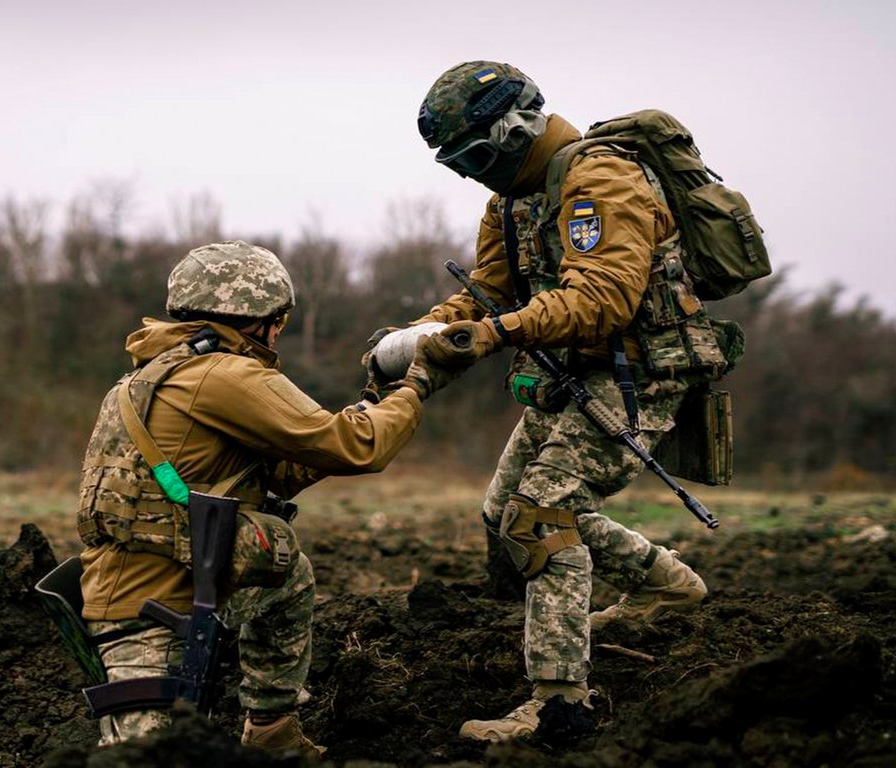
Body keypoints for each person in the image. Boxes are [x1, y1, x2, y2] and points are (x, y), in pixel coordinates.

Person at [395, 62, 714, 741]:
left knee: (539, 516)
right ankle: (667, 586)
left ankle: (559, 703)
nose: (474, 175)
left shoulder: (603, 179)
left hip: (638, 372)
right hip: (570, 373)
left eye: (477, 156)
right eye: (457, 166)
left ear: (516, 128)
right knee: (500, 511)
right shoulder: (511, 200)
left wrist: (491, 334)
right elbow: (488, 293)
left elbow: (602, 299)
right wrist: (420, 339)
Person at [76, 240, 458, 758]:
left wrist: (372, 401)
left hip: (148, 591)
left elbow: (282, 470)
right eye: (279, 321)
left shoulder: (156, 374)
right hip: (149, 617)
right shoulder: (224, 375)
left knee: (285, 574)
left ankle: (273, 731)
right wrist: (415, 388)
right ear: (263, 319)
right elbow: (357, 447)